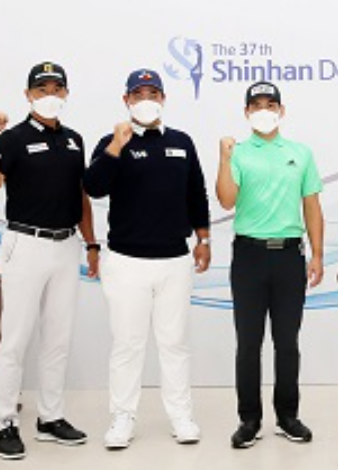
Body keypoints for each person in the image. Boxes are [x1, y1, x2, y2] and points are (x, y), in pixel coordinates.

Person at [83, 69, 211, 449]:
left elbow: (197, 192)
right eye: (138, 94)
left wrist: (203, 238)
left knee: (174, 343)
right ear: (126, 101)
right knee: (128, 344)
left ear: (163, 98)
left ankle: (180, 415)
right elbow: (93, 187)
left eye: (152, 93)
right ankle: (122, 417)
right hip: (126, 261)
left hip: (175, 261)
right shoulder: (112, 142)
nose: (146, 100)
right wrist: (116, 147)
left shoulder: (181, 142)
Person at [0, 61, 97, 460]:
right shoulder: (13, 138)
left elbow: (81, 196)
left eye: (56, 88)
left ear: (66, 93)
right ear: (28, 95)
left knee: (58, 338)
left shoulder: (74, 140)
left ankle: (50, 417)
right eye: (41, 89)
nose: (50, 95)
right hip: (25, 244)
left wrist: (92, 244)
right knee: (15, 338)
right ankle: (4, 422)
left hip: (66, 246)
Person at [216, 81, 324, 449]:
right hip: (249, 257)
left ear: (281, 110)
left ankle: (287, 416)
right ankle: (249, 419)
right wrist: (224, 158)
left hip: (289, 257)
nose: (264, 110)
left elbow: (312, 206)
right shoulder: (238, 152)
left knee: (287, 342)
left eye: (270, 104)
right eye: (257, 105)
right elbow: (226, 200)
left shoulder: (300, 153)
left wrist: (318, 253)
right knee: (248, 343)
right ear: (247, 112)